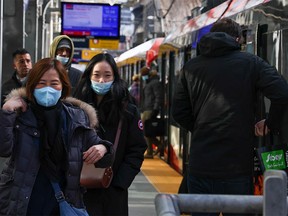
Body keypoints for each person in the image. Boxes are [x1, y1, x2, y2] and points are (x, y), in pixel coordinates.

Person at [172, 18, 288, 216]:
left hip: (201, 164)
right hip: (237, 166)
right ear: (237, 39)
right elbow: (282, 93)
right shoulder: (251, 63)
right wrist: (269, 124)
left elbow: (179, 112)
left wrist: (202, 128)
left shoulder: (191, 67)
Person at [0, 57, 113, 215]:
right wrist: (6, 113)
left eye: (54, 83)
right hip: (24, 203)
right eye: (41, 83)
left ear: (63, 86)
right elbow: (3, 149)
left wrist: (103, 148)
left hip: (62, 205)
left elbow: (104, 157)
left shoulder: (76, 118)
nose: (48, 89)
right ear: (31, 86)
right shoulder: (20, 115)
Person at [73, 53, 147, 216]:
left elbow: (137, 149)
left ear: (115, 77)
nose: (101, 81)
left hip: (112, 192)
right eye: (97, 75)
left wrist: (119, 183)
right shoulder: (75, 107)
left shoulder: (127, 109)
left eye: (107, 76)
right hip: (79, 189)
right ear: (89, 76)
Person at [140, 66, 164, 158]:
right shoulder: (149, 82)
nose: (143, 77)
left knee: (146, 131)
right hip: (146, 109)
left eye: (143, 75)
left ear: (147, 75)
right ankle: (155, 147)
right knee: (146, 131)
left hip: (150, 109)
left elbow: (158, 97)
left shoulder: (154, 83)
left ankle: (152, 150)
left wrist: (155, 109)